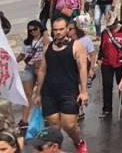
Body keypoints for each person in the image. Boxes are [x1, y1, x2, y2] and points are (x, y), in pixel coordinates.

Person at [34, 16, 89, 153]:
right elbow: (42, 70)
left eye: (61, 29)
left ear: (67, 29)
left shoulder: (76, 45)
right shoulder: (48, 47)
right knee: (54, 126)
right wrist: (38, 93)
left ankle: (79, 141)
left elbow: (82, 68)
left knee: (69, 125)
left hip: (68, 91)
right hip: (49, 92)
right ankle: (56, 150)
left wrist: (83, 91)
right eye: (55, 29)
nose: (58, 32)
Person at [17, 20, 48, 129]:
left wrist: (45, 33)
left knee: (43, 92)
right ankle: (24, 120)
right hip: (29, 68)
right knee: (27, 94)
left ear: (40, 28)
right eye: (30, 30)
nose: (33, 32)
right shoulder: (27, 42)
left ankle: (45, 115)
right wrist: (13, 62)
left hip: (42, 68)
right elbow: (22, 54)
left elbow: (47, 45)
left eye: (35, 29)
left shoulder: (45, 39)